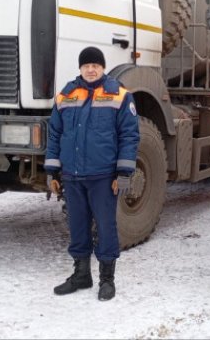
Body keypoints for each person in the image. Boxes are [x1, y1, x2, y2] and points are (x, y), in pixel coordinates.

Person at [45, 46, 140, 301]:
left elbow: (129, 136)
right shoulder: (65, 95)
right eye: (86, 65)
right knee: (77, 226)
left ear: (102, 67)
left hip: (103, 177)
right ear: (80, 68)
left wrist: (123, 173)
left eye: (95, 65)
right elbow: (54, 134)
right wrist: (52, 170)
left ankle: (107, 280)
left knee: (106, 228)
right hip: (72, 175)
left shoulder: (119, 95)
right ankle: (81, 275)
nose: (90, 69)